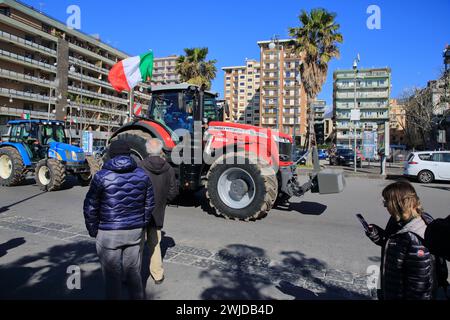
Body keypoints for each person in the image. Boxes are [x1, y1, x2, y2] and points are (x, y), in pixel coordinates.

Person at [83, 140, 155, 299]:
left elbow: (90, 206)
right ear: (129, 154)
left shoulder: (101, 176)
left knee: (112, 277)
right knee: (133, 273)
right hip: (135, 231)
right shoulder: (142, 175)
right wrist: (142, 222)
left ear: (111, 155)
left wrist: (94, 229)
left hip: (109, 232)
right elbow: (150, 203)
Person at [365, 181, 438, 300]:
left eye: (386, 202)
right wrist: (376, 234)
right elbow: (395, 245)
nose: (385, 206)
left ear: (398, 204)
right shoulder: (399, 220)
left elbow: (419, 288)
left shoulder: (416, 238)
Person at [139, 138, 178, 285]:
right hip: (157, 212)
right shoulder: (168, 168)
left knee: (137, 245)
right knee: (155, 244)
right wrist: (162, 201)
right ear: (160, 150)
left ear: (148, 150)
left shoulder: (140, 166)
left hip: (141, 212)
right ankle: (157, 275)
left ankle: (133, 274)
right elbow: (173, 191)